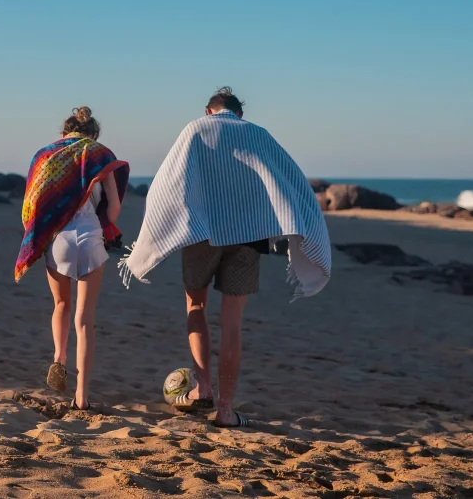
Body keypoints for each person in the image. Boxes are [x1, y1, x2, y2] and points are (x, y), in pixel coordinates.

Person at [118, 88, 331, 428]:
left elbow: (168, 182)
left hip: (202, 234)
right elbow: (288, 180)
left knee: (196, 308)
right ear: (239, 114)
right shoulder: (258, 134)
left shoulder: (196, 129)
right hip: (247, 238)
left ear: (208, 111)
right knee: (232, 323)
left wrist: (160, 231)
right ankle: (227, 409)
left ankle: (203, 389)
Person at [15, 107, 129, 410]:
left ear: (64, 133)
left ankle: (59, 358)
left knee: (61, 305)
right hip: (91, 237)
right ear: (93, 134)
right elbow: (114, 207)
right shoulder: (100, 155)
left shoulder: (46, 156)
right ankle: (81, 395)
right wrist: (104, 226)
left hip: (60, 240)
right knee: (85, 320)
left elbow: (33, 203)